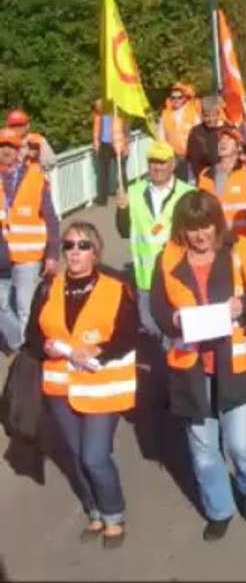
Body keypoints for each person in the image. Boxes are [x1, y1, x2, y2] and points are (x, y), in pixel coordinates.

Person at [151, 191, 246, 542]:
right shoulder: (167, 259)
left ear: (217, 223)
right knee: (203, 451)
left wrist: (245, 306)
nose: (200, 235)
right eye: (192, 228)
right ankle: (219, 509)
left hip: (237, 364)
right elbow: (159, 309)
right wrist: (172, 319)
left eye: (206, 225)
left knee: (242, 445)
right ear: (182, 229)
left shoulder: (243, 250)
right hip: (191, 368)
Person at [24, 222, 138, 548]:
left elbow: (129, 335)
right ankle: (95, 511)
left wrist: (99, 349)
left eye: (83, 245)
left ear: (96, 251)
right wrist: (43, 345)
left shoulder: (115, 287)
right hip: (61, 385)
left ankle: (114, 514)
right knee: (75, 455)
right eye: (70, 245)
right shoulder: (48, 287)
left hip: (101, 385)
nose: (75, 252)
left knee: (94, 456)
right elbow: (33, 334)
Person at [115, 140, 193, 339]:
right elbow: (124, 231)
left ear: (172, 164)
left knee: (178, 324)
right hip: (146, 277)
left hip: (178, 274)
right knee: (150, 324)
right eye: (153, 163)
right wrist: (122, 210)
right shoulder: (133, 192)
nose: (157, 168)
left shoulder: (188, 193)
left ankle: (174, 361)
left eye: (162, 162)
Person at [0, 126, 60, 351]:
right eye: (2, 146)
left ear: (19, 151)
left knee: (26, 308)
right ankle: (18, 342)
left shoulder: (36, 177)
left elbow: (51, 220)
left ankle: (27, 355)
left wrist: (52, 255)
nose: (6, 151)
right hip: (1, 255)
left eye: (11, 147)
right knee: (1, 306)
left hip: (28, 256)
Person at [197, 127, 246, 239]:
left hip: (245, 239)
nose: (223, 142)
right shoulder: (206, 174)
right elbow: (202, 210)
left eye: (229, 139)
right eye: (221, 139)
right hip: (217, 241)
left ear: (238, 146)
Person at [159, 82, 201, 181]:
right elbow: (161, 138)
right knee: (177, 183)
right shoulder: (165, 115)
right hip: (174, 157)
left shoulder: (193, 112)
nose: (176, 100)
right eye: (173, 97)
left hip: (191, 156)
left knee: (193, 183)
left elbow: (200, 134)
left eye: (179, 97)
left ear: (185, 98)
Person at [91, 100, 128, 206]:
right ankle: (102, 198)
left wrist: (126, 144)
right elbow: (96, 106)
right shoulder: (100, 110)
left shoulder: (118, 109)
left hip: (118, 143)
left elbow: (125, 128)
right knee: (102, 173)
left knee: (121, 172)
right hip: (103, 144)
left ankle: (124, 194)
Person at [186, 96, 223, 182]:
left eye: (213, 115)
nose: (210, 119)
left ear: (218, 114)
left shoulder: (227, 129)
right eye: (206, 116)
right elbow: (193, 162)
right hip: (205, 177)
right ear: (202, 116)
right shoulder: (196, 133)